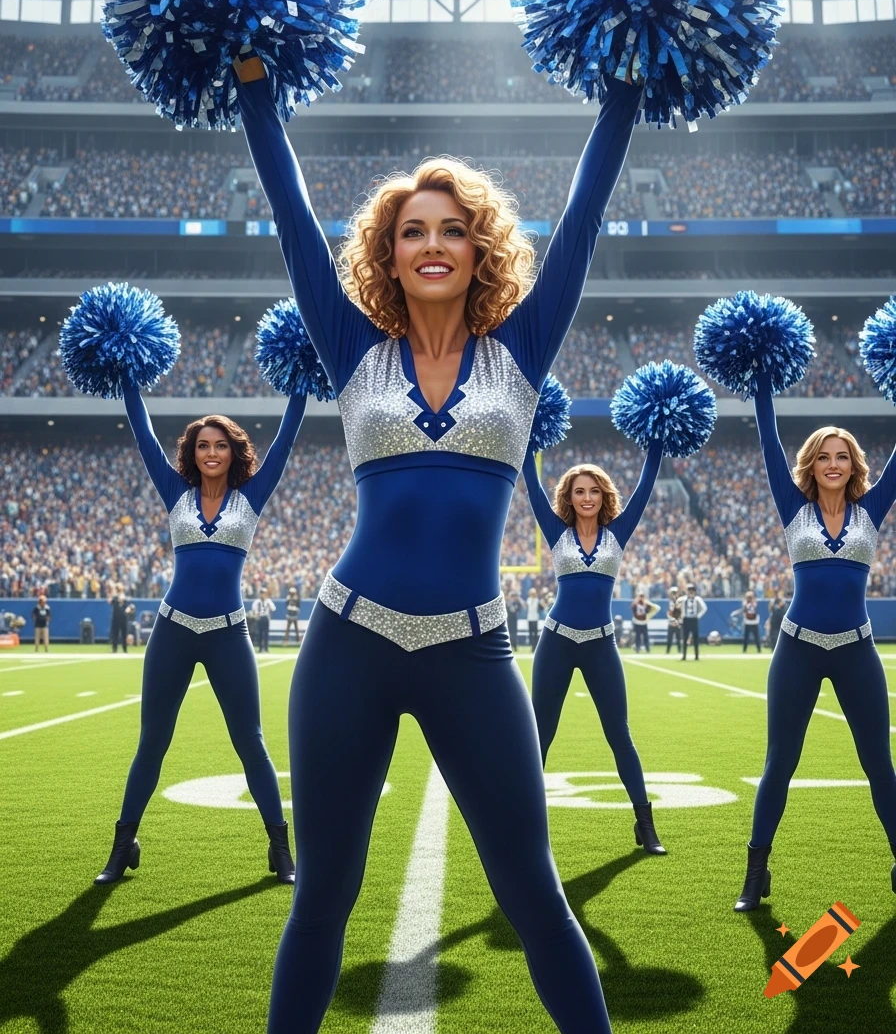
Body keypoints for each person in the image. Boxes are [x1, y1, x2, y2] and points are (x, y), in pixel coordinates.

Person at [235, 50, 641, 1034]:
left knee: (533, 892)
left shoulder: (520, 351)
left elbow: (582, 220)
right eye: (410, 230)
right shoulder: (352, 350)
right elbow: (292, 220)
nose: (430, 244)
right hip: (348, 644)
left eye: (450, 229)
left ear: (478, 247)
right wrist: (254, 86)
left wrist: (623, 85)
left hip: (472, 647)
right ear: (386, 250)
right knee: (322, 896)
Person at [93, 387, 306, 888]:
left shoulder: (251, 496)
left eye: (221, 445)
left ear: (234, 452)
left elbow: (286, 440)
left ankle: (280, 849)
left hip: (228, 634)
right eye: (203, 445)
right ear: (191, 453)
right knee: (153, 743)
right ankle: (122, 848)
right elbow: (143, 434)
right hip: (172, 631)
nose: (211, 452)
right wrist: (127, 377)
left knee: (250, 742)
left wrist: (300, 385)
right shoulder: (175, 494)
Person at [734, 375, 896, 911]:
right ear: (813, 463)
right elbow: (767, 439)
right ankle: (756, 872)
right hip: (797, 648)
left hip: (856, 649)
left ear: (854, 465)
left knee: (879, 762)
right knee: (780, 761)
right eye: (824, 456)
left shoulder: (871, 511)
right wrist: (761, 382)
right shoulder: (793, 507)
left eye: (842, 456)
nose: (833, 464)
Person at [522, 446, 666, 855]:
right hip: (557, 640)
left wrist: (655, 444)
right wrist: (530, 446)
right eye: (578, 491)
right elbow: (532, 488)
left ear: (604, 497)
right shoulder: (556, 532)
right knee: (540, 736)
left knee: (619, 734)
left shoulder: (617, 534)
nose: (586, 498)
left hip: (601, 642)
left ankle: (645, 824)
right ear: (568, 497)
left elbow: (644, 489)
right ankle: (525, 828)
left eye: (594, 491)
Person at [680, 583, 707, 660]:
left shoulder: (697, 599)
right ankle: (684, 655)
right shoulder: (684, 599)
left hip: (694, 619)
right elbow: (681, 608)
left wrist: (698, 615)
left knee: (695, 638)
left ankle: (696, 655)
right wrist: (682, 616)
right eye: (689, 591)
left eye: (692, 591)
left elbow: (704, 608)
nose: (690, 592)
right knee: (685, 638)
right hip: (686, 619)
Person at [525, 586, 541, 651]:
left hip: (535, 618)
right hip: (530, 618)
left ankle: (535, 646)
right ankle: (532, 646)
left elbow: (535, 608)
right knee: (530, 633)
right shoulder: (528, 600)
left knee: (535, 633)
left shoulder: (537, 600)